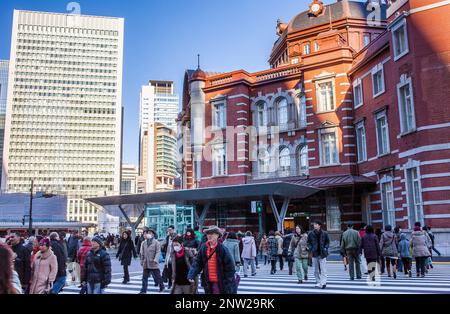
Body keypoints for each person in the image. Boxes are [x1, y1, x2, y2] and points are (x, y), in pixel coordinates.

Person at [188, 225, 236, 294]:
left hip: (219, 282)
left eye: (212, 234)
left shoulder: (222, 249)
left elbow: (230, 267)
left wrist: (228, 282)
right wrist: (191, 274)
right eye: (208, 234)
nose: (209, 236)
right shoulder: (204, 248)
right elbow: (197, 262)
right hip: (208, 282)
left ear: (217, 235)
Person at [139, 228, 164, 294]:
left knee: (158, 276)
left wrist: (155, 259)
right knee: (144, 278)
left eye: (150, 233)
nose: (149, 234)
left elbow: (158, 252)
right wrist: (141, 261)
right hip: (146, 262)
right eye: (148, 233)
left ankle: (162, 286)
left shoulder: (156, 242)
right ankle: (143, 290)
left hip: (153, 262)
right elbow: (142, 253)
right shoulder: (144, 243)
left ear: (153, 235)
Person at [307, 221, 330, 289]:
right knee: (315, 270)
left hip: (322, 253)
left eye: (316, 224)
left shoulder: (324, 233)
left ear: (319, 225)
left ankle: (323, 283)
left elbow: (327, 242)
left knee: (323, 269)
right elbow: (308, 242)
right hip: (314, 253)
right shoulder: (311, 233)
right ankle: (318, 281)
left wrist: (326, 247)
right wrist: (311, 248)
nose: (314, 225)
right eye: (314, 224)